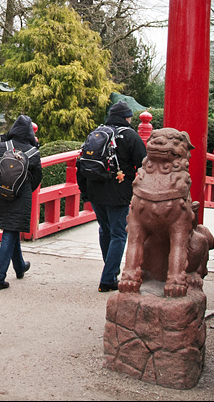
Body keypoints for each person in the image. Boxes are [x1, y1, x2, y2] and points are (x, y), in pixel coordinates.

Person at [77, 101, 147, 292]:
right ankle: (108, 278)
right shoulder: (129, 135)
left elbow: (81, 162)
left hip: (95, 190)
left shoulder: (97, 132)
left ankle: (109, 271)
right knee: (119, 233)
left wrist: (84, 191)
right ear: (127, 117)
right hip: (118, 191)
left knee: (105, 230)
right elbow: (144, 163)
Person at [0, 114, 42, 290]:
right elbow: (37, 179)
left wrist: (0, 187)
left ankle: (19, 266)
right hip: (20, 196)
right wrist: (23, 189)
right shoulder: (33, 152)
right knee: (11, 231)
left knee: (11, 229)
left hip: (0, 192)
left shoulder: (3, 146)